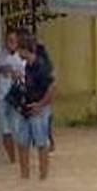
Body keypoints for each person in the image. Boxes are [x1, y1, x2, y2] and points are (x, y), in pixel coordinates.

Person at [14, 32, 56, 180]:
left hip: (39, 110)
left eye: (18, 49)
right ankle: (24, 176)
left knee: (41, 143)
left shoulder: (40, 65)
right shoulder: (25, 66)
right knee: (22, 142)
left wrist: (40, 104)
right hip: (26, 109)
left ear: (24, 49)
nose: (17, 53)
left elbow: (52, 87)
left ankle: (43, 176)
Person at [0, 29, 25, 163]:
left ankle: (21, 156)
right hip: (1, 98)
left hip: (16, 99)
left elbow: (28, 77)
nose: (11, 43)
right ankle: (12, 159)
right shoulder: (0, 55)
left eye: (13, 41)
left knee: (16, 129)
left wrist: (18, 75)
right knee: (5, 130)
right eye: (8, 40)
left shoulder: (22, 57)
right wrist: (1, 69)